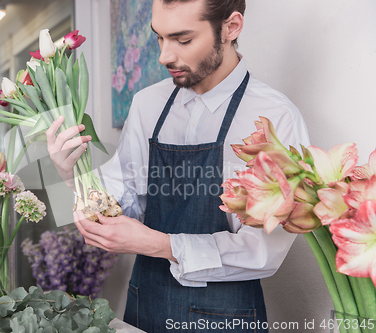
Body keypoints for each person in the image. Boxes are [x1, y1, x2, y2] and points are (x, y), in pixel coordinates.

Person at [46, 0, 310, 331]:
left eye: (183, 40)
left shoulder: (275, 118)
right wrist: (73, 177)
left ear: (231, 28)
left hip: (227, 318)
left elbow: (264, 251)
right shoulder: (147, 104)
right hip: (145, 307)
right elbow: (120, 200)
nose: (164, 56)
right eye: (159, 37)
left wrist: (159, 244)